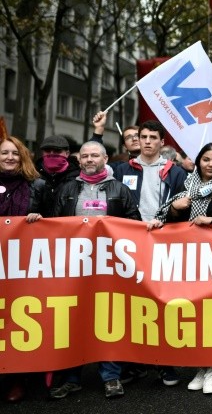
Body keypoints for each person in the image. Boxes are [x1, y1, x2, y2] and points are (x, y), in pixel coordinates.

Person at [149, 143, 212, 394]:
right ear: (198, 161)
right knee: (194, 312)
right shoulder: (184, 187)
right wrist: (173, 209)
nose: (211, 165)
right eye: (206, 159)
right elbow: (168, 217)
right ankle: (200, 368)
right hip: (189, 260)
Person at [49, 141, 140, 400]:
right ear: (79, 160)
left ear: (105, 158)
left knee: (108, 319)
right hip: (74, 267)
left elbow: (133, 223)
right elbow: (54, 224)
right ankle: (71, 378)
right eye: (85, 156)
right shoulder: (67, 188)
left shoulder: (119, 189)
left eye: (95, 156)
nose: (89, 160)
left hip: (108, 268)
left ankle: (111, 377)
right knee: (72, 320)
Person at [112, 120, 186, 387]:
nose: (146, 141)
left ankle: (165, 364)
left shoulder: (175, 173)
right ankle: (133, 364)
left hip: (163, 244)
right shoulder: (121, 170)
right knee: (131, 304)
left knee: (162, 302)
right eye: (142, 136)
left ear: (161, 142)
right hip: (129, 244)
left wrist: (168, 216)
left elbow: (185, 207)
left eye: (153, 137)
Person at [0, 136, 46, 402]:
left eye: (14, 153)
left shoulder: (36, 185)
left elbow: (55, 224)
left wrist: (39, 219)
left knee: (18, 320)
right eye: (4, 153)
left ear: (22, 157)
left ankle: (18, 378)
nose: (9, 157)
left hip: (24, 265)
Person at [35, 134, 80, 217]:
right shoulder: (33, 175)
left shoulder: (78, 177)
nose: (52, 154)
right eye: (47, 151)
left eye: (57, 151)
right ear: (42, 153)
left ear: (67, 153)